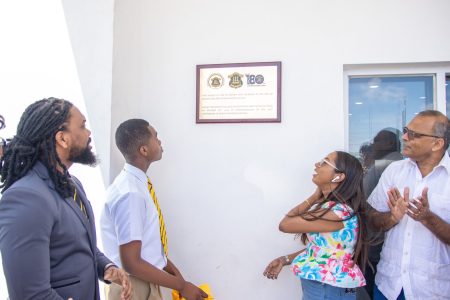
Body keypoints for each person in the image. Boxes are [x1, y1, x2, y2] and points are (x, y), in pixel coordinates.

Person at [0, 98, 132, 300]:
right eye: (82, 126)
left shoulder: (72, 183)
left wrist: (106, 266)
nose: (89, 133)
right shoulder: (26, 198)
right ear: (62, 139)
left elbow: (78, 242)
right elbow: (29, 294)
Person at [101, 119, 208, 300]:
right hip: (132, 286)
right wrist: (181, 285)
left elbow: (149, 249)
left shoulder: (139, 185)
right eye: (155, 137)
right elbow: (131, 263)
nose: (159, 141)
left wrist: (178, 279)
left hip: (145, 281)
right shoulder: (130, 193)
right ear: (143, 150)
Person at [368, 110, 450, 300]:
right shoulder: (394, 171)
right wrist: (391, 218)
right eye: (406, 131)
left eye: (414, 134)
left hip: (433, 290)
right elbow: (372, 219)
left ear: (437, 143)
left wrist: (427, 218)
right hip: (388, 286)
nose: (404, 137)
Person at [263, 151, 368, 300]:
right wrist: (285, 259)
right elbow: (323, 250)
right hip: (325, 286)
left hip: (327, 288)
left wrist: (313, 197)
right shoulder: (336, 209)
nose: (317, 165)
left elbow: (285, 225)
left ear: (338, 176)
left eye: (325, 162)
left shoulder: (338, 212)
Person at [360, 129, 402, 299]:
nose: (373, 144)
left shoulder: (386, 166)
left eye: (377, 140)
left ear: (390, 143)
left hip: (376, 246)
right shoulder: (387, 165)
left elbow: (367, 206)